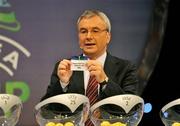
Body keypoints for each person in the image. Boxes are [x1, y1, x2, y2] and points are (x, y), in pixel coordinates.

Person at [41, 9, 139, 125]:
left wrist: (105, 82)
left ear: (108, 37)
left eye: (95, 31)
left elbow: (131, 110)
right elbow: (47, 110)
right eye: (83, 31)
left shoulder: (126, 68)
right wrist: (63, 84)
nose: (88, 36)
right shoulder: (65, 66)